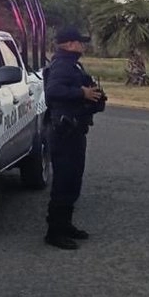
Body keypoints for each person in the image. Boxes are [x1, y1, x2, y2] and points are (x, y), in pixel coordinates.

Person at [43, 26, 106, 251]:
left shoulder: (72, 64)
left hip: (75, 129)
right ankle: (55, 232)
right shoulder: (62, 65)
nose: (83, 45)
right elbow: (53, 91)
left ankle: (65, 224)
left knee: (73, 180)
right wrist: (82, 94)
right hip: (64, 132)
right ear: (69, 44)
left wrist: (94, 97)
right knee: (64, 181)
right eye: (80, 42)